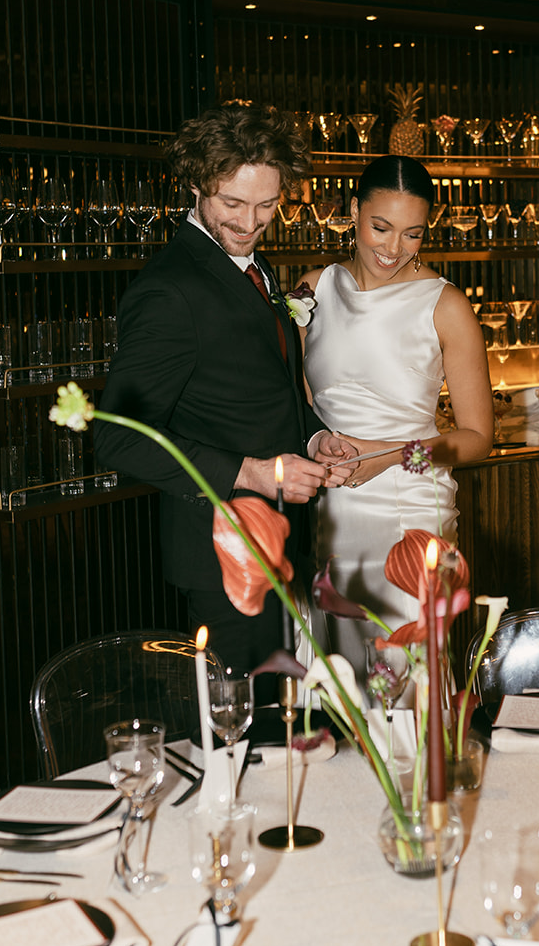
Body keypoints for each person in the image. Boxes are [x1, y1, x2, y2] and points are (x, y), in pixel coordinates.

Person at [95, 103, 354, 677]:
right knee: (245, 723)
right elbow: (117, 439)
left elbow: (264, 386)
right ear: (195, 185)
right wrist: (250, 472)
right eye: (232, 203)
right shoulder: (170, 291)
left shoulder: (253, 267)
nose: (249, 222)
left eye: (267, 205)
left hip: (277, 542)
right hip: (222, 556)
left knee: (279, 719)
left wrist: (314, 438)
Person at [298, 155, 495, 666]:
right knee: (340, 672)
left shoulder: (446, 304)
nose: (393, 248)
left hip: (411, 504)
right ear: (353, 211)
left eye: (413, 234)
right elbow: (297, 404)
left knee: (409, 674)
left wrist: (389, 456)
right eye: (380, 227)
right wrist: (317, 448)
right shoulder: (314, 289)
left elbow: (477, 438)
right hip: (329, 508)